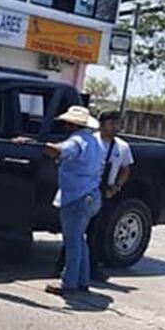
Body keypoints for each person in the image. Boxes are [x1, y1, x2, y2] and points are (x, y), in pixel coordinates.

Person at [16, 106, 105, 296]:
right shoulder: (95, 142)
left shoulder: (77, 141)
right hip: (91, 194)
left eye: (66, 123)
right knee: (80, 240)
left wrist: (34, 144)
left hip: (76, 196)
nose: (64, 125)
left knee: (72, 241)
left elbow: (58, 151)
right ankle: (82, 280)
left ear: (72, 124)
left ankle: (69, 282)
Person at [57, 110, 135, 280]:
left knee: (95, 233)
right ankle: (65, 267)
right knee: (76, 234)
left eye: (118, 124)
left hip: (103, 191)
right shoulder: (91, 141)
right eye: (112, 123)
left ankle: (87, 270)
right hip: (87, 188)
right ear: (101, 124)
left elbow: (125, 169)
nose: (115, 127)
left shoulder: (122, 147)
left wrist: (116, 187)